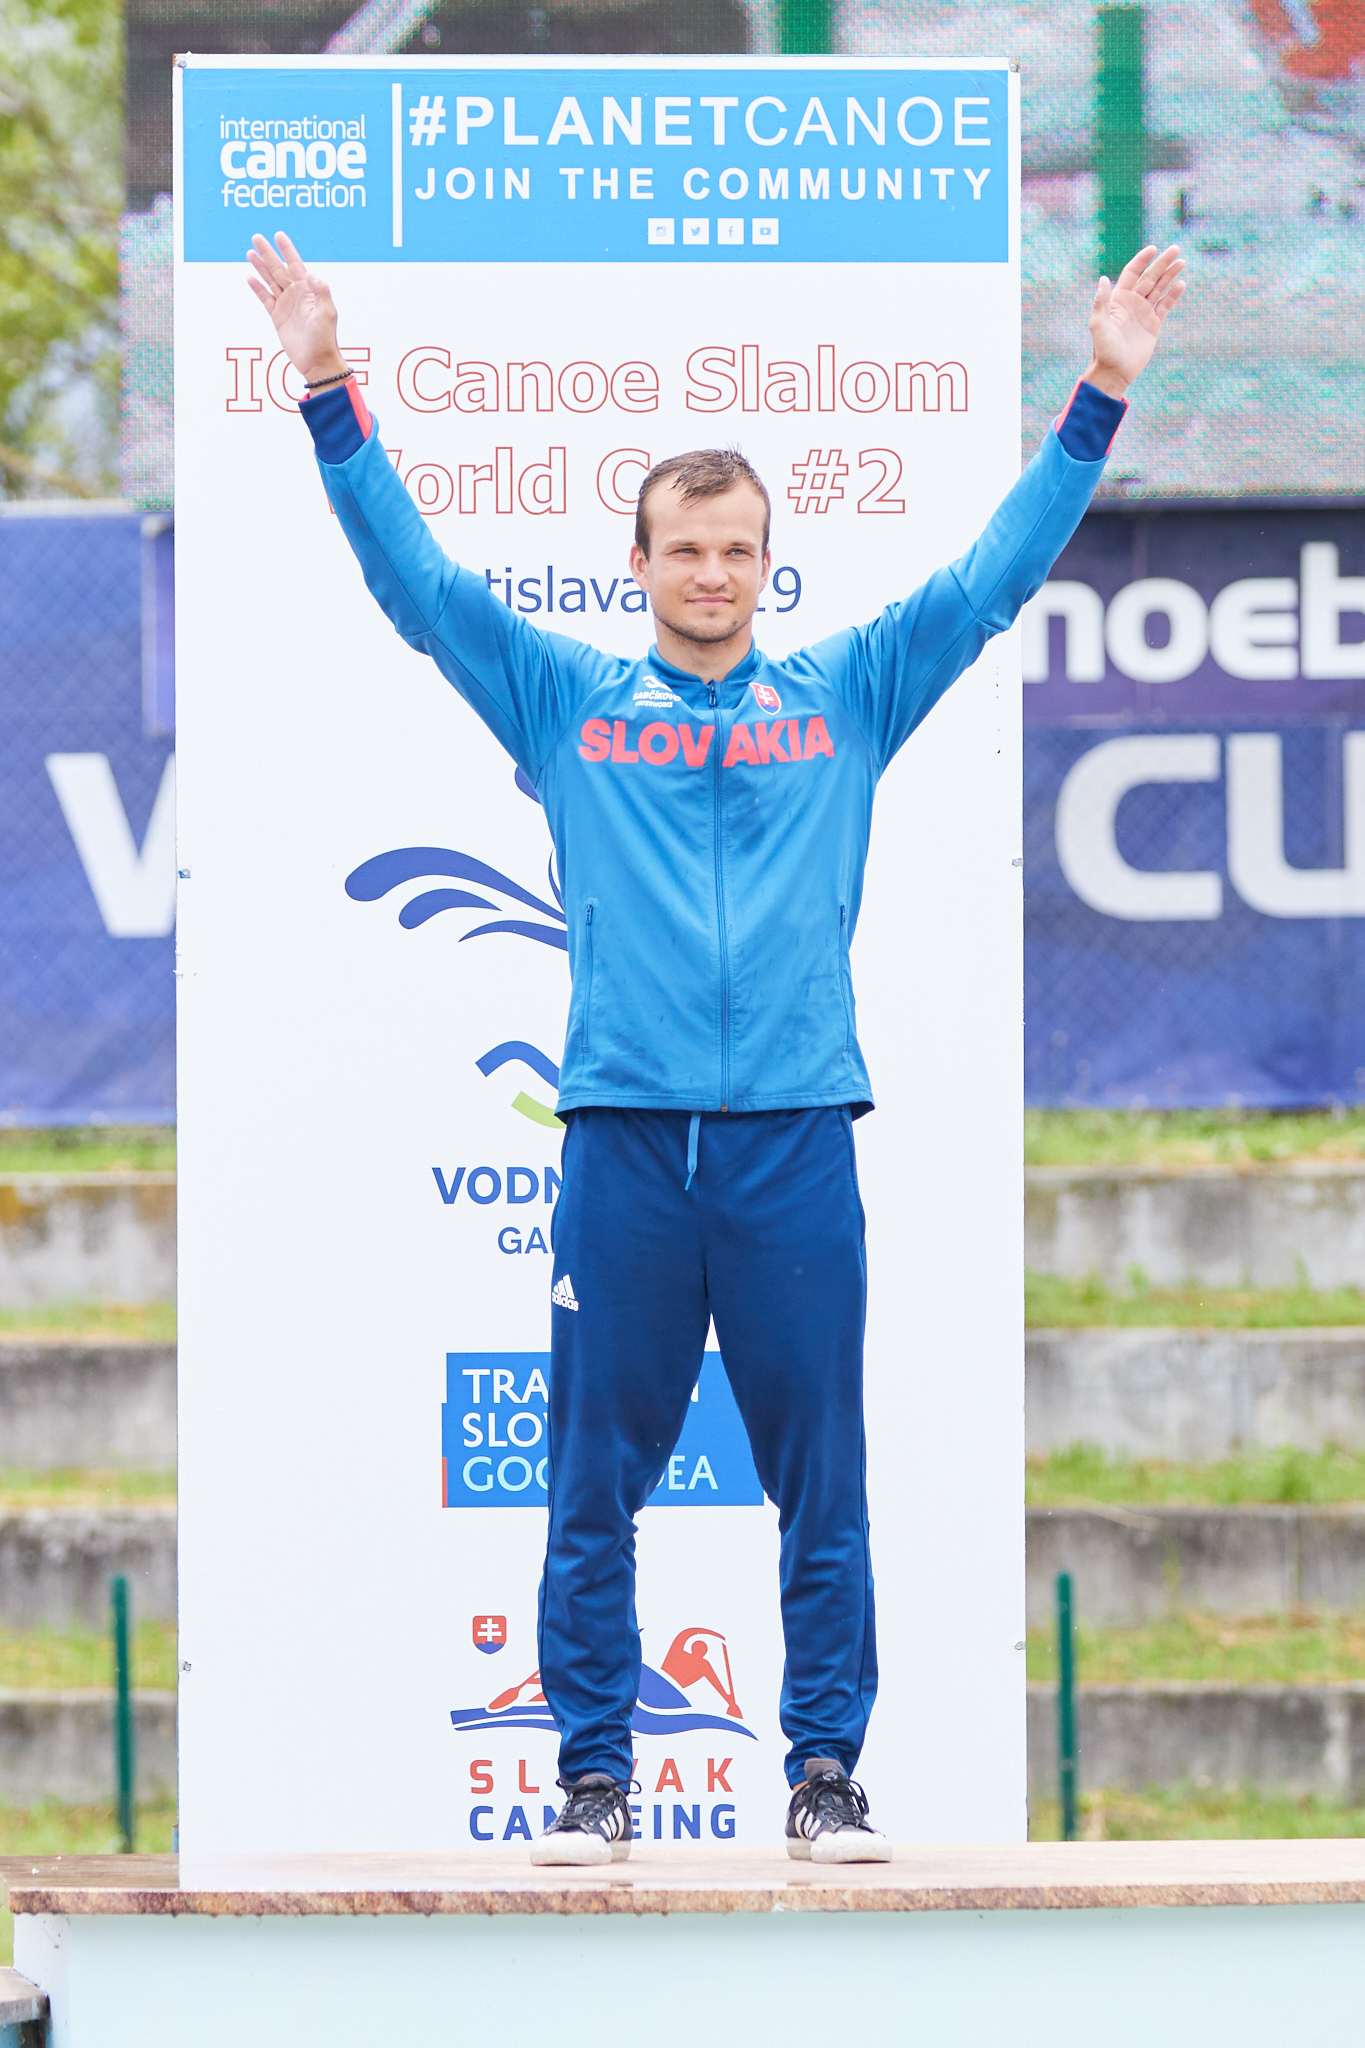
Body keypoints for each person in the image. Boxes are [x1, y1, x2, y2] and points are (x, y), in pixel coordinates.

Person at [248, 229, 1183, 1865]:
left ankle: (823, 1776)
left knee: (820, 1483)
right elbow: (416, 589)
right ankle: (593, 1781)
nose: (710, 573)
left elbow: (988, 580)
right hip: (620, 1142)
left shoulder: (846, 694)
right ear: (640, 563)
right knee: (588, 1479)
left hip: (794, 1142)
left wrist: (1099, 391)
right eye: (684, 548)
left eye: (737, 548)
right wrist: (328, 386)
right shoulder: (560, 698)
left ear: (767, 564)